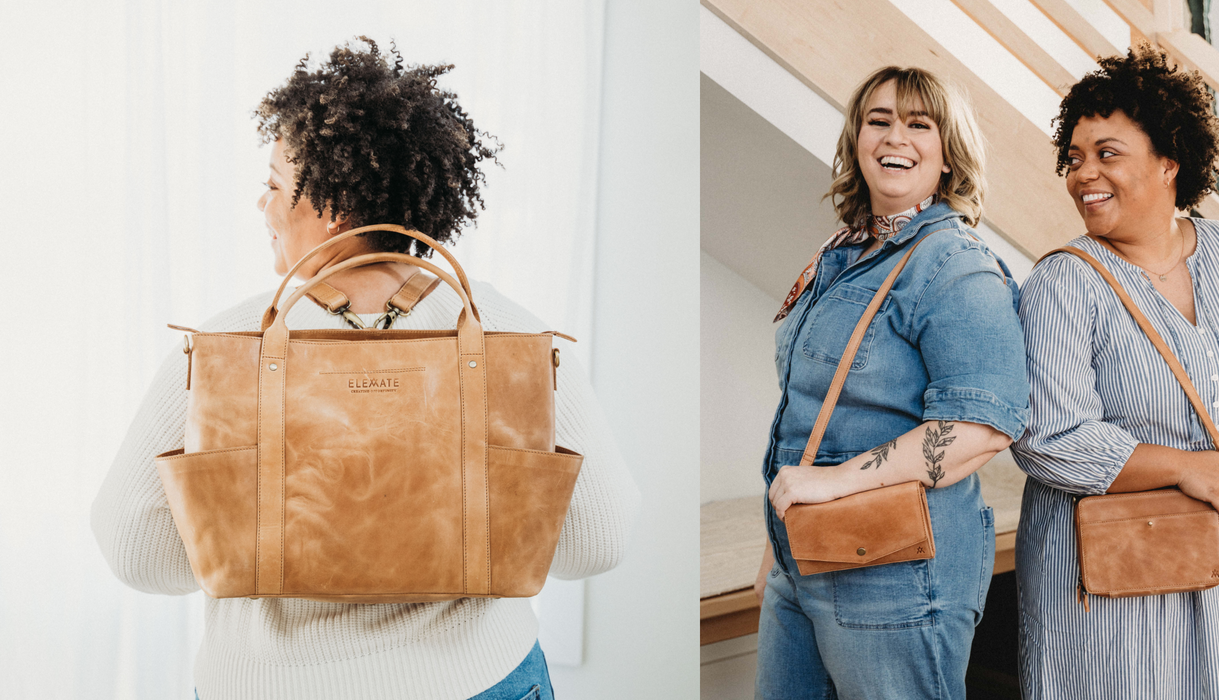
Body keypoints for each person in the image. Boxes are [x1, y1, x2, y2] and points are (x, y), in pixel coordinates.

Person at [90, 37, 638, 700]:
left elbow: (134, 547)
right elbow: (598, 539)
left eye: (272, 186)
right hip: (476, 681)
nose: (261, 207)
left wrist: (268, 536)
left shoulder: (229, 343)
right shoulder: (508, 332)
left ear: (331, 207)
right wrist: (447, 529)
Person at [1011, 44, 1219, 698]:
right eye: (1074, 159)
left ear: (1169, 162)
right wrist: (1185, 468)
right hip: (1128, 576)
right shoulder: (1062, 285)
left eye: (1108, 154)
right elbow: (1049, 439)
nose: (1085, 175)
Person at [753, 66, 1029, 700]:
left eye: (918, 124)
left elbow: (981, 427)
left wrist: (830, 482)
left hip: (896, 576)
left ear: (947, 155)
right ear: (856, 140)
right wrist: (779, 546)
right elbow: (810, 413)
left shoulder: (954, 263)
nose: (894, 136)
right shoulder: (841, 253)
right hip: (803, 559)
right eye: (878, 121)